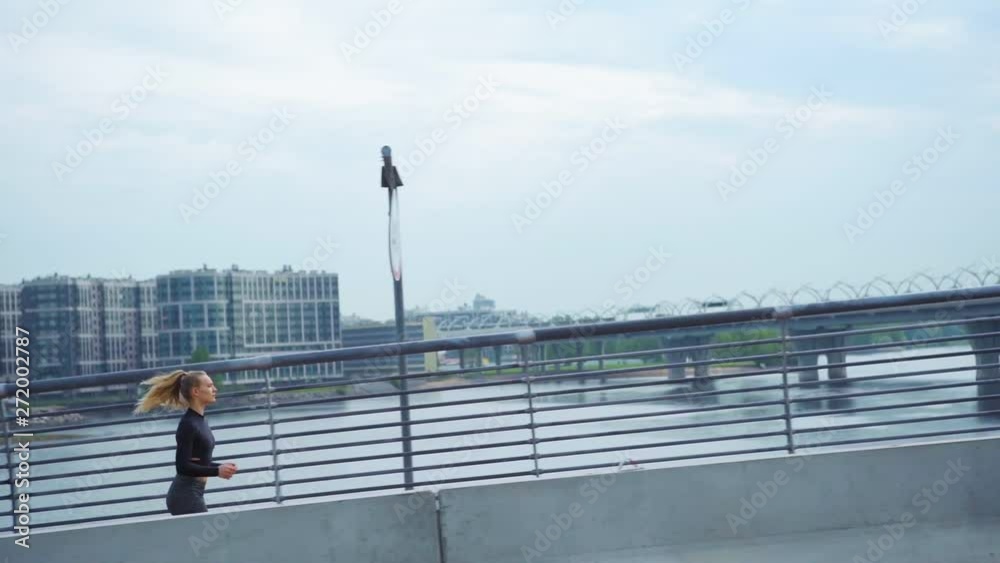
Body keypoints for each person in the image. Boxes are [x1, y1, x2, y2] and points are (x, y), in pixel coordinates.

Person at [133, 369, 238, 515]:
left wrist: (220, 466)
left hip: (194, 492)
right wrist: (217, 471)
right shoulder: (188, 424)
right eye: (209, 386)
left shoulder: (200, 421)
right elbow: (182, 467)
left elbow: (199, 462)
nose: (215, 389)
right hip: (185, 494)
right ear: (195, 391)